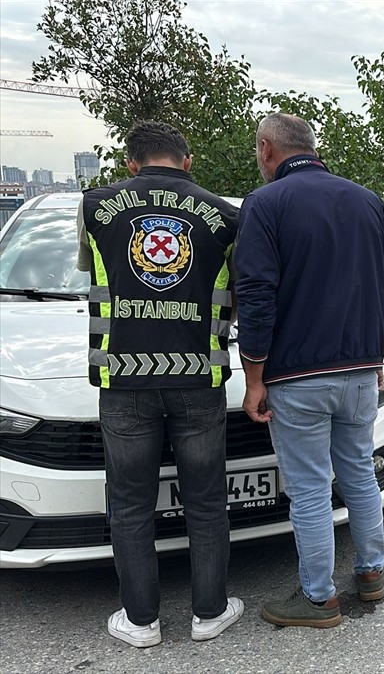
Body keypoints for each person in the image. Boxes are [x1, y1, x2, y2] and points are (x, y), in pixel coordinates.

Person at [77, 121, 243, 647]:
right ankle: (209, 614)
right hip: (198, 377)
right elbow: (239, 294)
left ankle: (141, 622)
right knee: (206, 502)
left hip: (123, 377)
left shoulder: (95, 207)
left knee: (129, 505)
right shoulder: (225, 216)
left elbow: (95, 273)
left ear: (131, 162)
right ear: (187, 161)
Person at [235, 113, 384, 628]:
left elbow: (256, 294)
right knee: (359, 473)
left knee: (309, 488)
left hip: (298, 377)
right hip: (359, 371)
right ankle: (371, 575)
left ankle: (317, 599)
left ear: (267, 149)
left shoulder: (265, 204)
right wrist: (374, 352)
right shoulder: (368, 201)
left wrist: (254, 377)